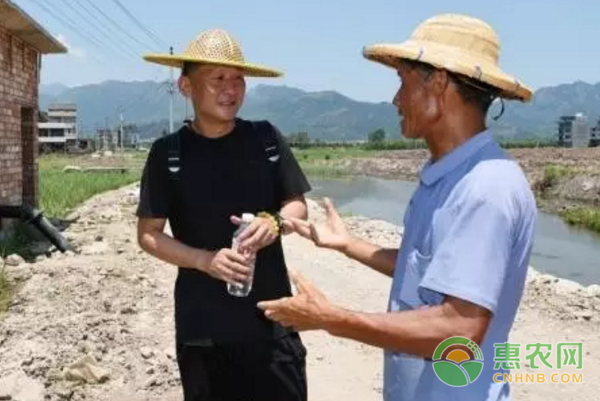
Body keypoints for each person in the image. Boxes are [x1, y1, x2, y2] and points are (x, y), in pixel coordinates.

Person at [258, 13, 537, 401]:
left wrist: (331, 319)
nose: (395, 100)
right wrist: (347, 243)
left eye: (402, 82)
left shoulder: (486, 188)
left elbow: (459, 329)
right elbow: (427, 271)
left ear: (437, 82)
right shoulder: (444, 175)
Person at [137, 28, 311, 401]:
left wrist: (274, 222)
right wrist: (205, 260)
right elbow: (149, 234)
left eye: (237, 79)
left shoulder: (266, 139)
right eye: (217, 79)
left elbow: (297, 204)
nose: (230, 89)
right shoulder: (168, 154)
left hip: (273, 324)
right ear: (186, 86)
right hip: (203, 332)